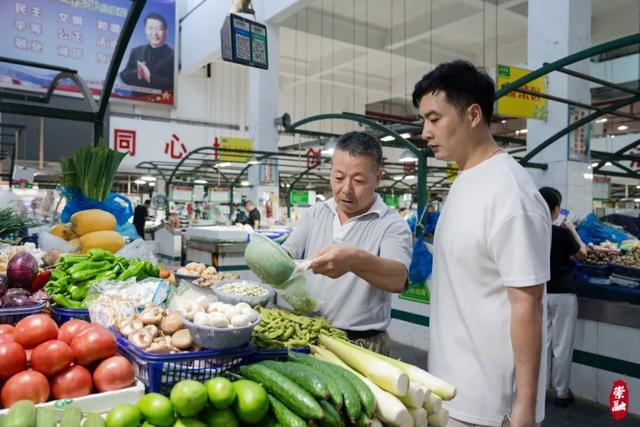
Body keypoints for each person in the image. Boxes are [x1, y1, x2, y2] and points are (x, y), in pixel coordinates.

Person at [413, 60, 551, 427]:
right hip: (449, 392)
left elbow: (528, 306)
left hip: (491, 409)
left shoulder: (511, 193)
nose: (425, 132)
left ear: (473, 114)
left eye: (434, 118)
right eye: (423, 121)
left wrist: (525, 408)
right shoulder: (465, 180)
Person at [282, 131, 412, 355]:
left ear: (377, 178)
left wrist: (353, 260)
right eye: (338, 177)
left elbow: (398, 278)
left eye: (359, 180)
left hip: (363, 344)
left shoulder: (391, 225)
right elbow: (286, 253)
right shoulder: (316, 213)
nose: (346, 189)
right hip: (308, 334)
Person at [539, 187, 587, 408]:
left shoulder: (532, 232)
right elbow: (582, 255)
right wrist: (573, 230)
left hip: (540, 293)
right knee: (562, 346)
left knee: (542, 343)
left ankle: (539, 388)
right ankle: (561, 393)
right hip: (564, 294)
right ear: (556, 209)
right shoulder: (561, 233)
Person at [119, 12, 174, 92]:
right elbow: (124, 74)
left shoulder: (173, 55)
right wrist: (138, 73)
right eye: (151, 28)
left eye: (159, 29)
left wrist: (149, 76)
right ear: (145, 30)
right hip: (135, 98)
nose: (155, 33)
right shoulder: (136, 51)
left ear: (166, 32)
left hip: (160, 101)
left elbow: (171, 83)